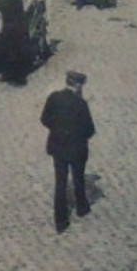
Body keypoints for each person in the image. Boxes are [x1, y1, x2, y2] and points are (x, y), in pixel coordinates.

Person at [41, 70, 96, 232]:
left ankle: (60, 221)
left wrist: (58, 130)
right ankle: (81, 208)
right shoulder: (81, 104)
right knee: (78, 178)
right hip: (77, 148)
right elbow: (89, 130)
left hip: (58, 147)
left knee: (60, 183)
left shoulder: (54, 98)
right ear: (78, 85)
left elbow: (44, 119)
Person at [0, 0, 30, 86]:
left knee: (11, 53)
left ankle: (17, 79)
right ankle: (10, 75)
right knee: (12, 53)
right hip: (18, 27)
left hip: (13, 30)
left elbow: (2, 5)